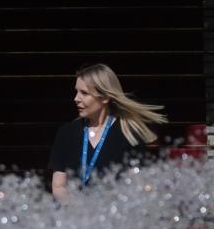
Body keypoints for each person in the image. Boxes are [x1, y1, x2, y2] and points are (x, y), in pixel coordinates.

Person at [49, 63, 167, 202]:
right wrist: (77, 209)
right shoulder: (67, 133)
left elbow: (137, 186)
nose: (76, 98)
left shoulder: (129, 134)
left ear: (105, 97)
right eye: (77, 91)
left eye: (84, 93)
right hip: (74, 211)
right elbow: (58, 186)